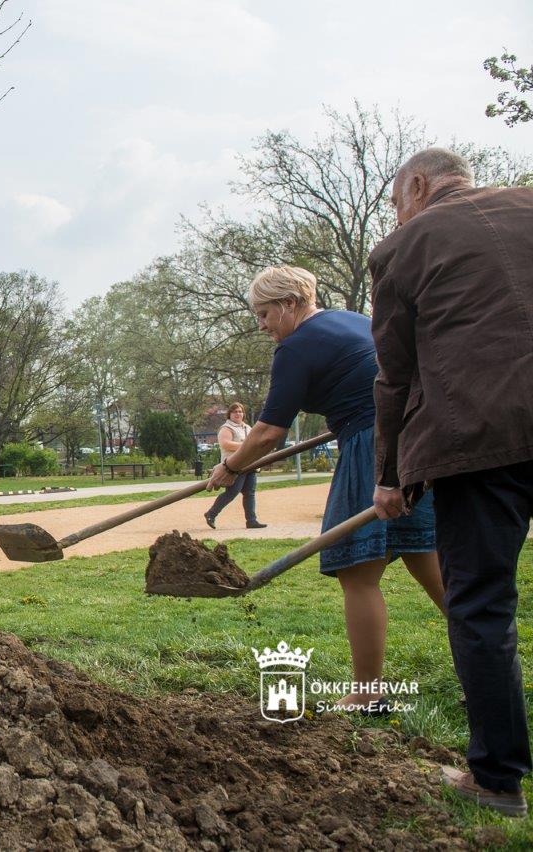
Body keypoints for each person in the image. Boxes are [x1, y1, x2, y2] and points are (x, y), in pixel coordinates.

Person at [369, 147, 533, 817]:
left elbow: (396, 375)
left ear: (417, 185)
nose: (395, 215)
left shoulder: (404, 246)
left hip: (479, 443)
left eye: (394, 203)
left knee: (482, 606)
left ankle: (496, 780)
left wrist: (390, 476)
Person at [206, 265, 445, 713]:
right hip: (416, 440)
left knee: (357, 572)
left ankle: (367, 693)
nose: (261, 326)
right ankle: (487, 672)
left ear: (290, 304)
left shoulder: (295, 347)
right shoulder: (353, 320)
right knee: (429, 559)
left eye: (264, 314)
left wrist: (230, 468)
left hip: (371, 446)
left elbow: (267, 432)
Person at [203, 402, 266, 530]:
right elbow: (225, 444)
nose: (238, 414)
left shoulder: (247, 427)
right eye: (235, 411)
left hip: (250, 465)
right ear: (230, 414)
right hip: (234, 465)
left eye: (240, 411)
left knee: (249, 493)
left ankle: (251, 521)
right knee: (232, 492)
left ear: (243, 414)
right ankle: (211, 514)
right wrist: (246, 446)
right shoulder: (226, 428)